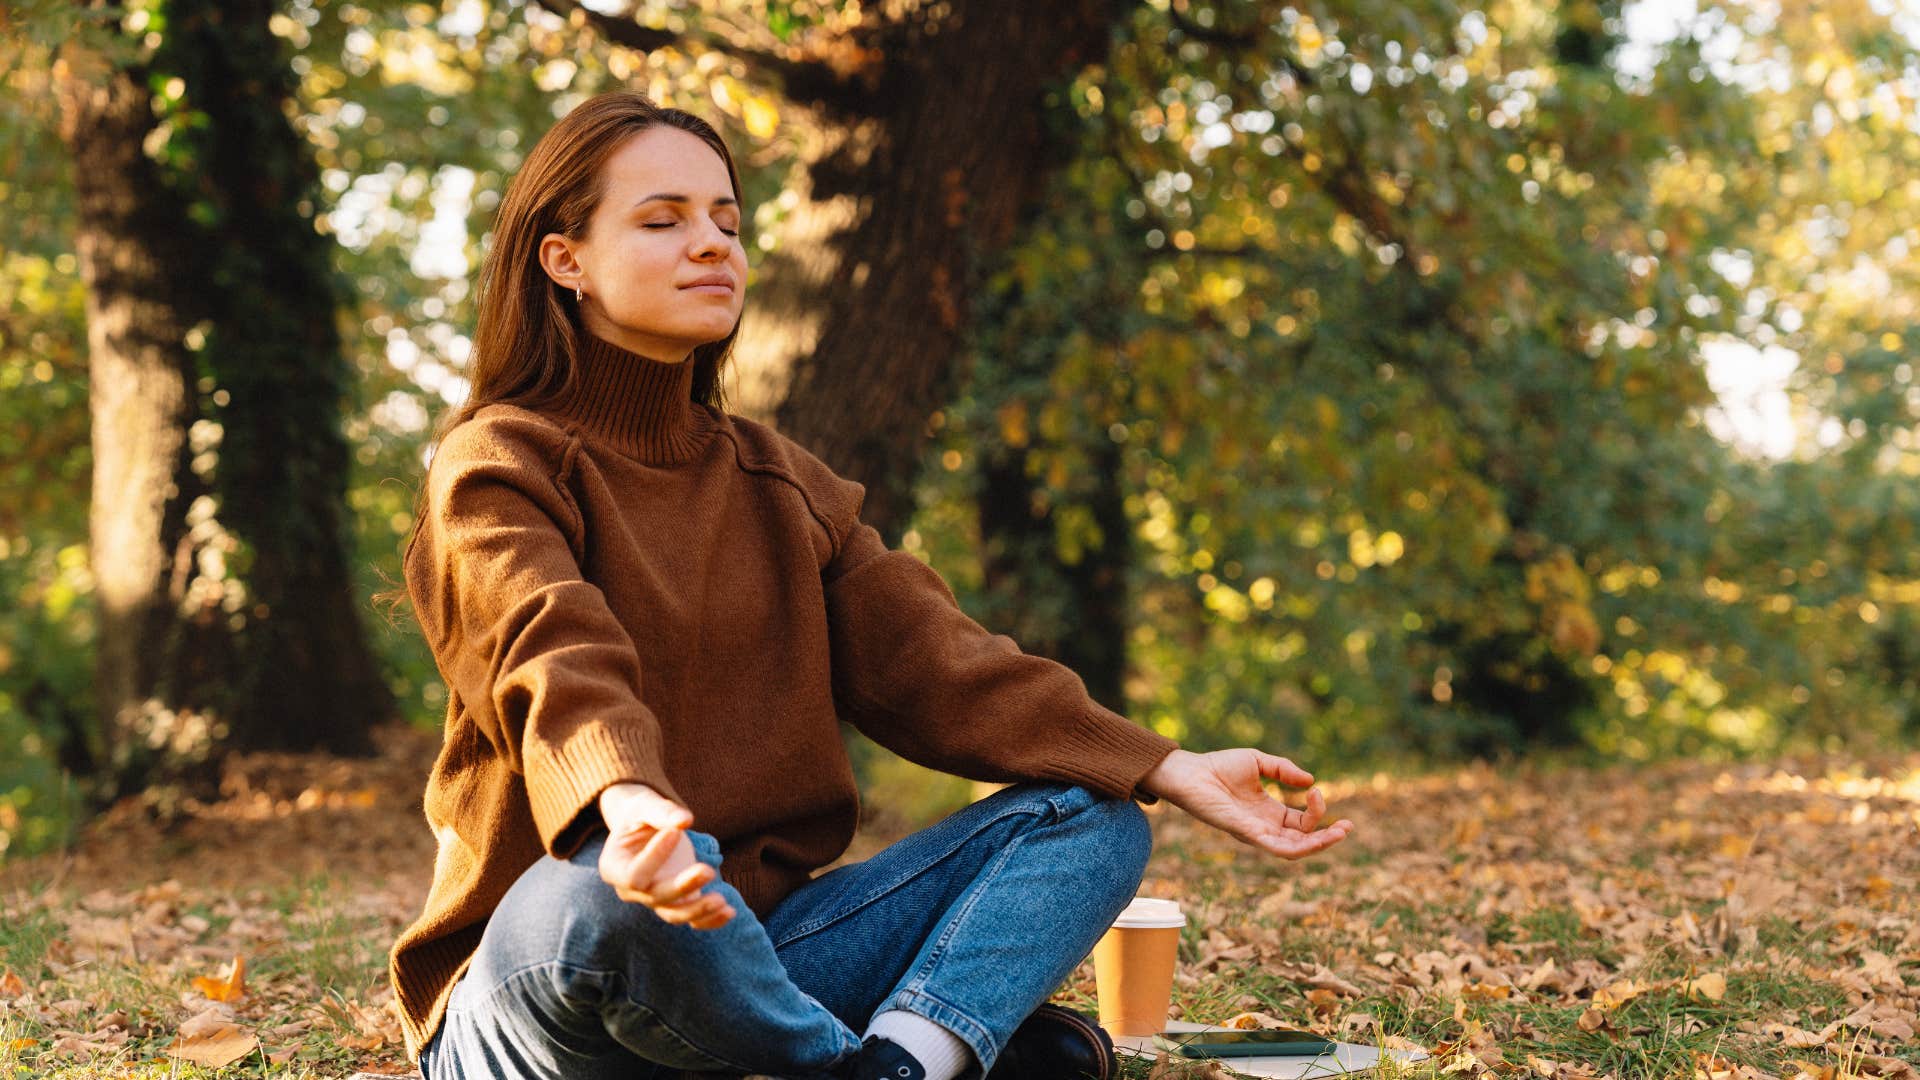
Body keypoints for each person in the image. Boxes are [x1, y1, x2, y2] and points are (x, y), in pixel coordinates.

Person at [387, 90, 1354, 1080]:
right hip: (552, 984)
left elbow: (940, 665)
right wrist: (624, 800)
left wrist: (1167, 765)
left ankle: (897, 1064)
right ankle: (897, 1058)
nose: (713, 244)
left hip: (765, 961)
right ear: (566, 260)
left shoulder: (780, 483)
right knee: (607, 889)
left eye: (727, 221)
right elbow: (545, 645)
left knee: (1092, 819)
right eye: (663, 220)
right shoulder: (496, 463)